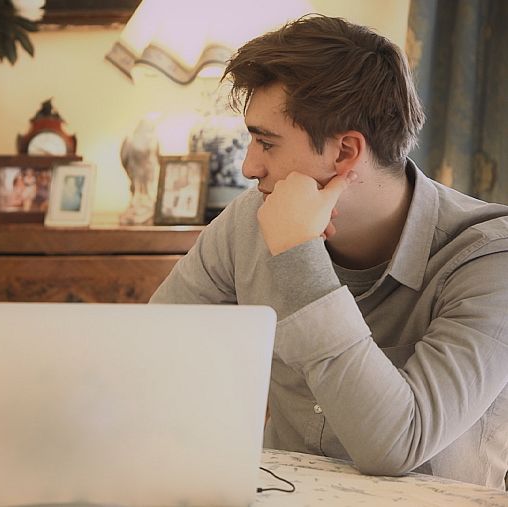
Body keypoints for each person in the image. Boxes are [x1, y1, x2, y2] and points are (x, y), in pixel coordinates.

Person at [150, 15, 508, 489]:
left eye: (266, 143)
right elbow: (152, 357)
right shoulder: (247, 222)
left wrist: (300, 257)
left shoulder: (488, 258)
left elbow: (397, 444)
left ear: (344, 153)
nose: (249, 166)